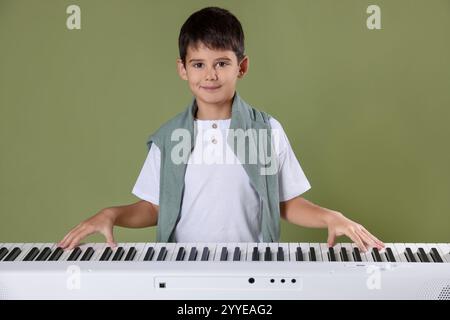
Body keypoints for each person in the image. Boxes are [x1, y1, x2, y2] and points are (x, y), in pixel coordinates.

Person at [58, 7, 384, 253]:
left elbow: (283, 203)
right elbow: (156, 207)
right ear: (183, 70)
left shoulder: (267, 131)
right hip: (183, 272)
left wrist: (331, 217)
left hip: (253, 270)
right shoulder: (169, 138)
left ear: (241, 67)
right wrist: (111, 214)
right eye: (198, 64)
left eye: (222, 63)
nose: (210, 75)